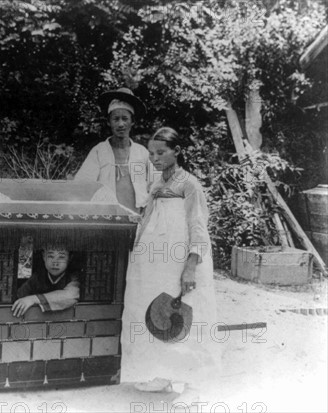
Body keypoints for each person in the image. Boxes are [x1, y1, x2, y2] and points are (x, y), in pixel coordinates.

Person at [120, 127, 220, 404]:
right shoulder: (155, 185)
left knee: (189, 315)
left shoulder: (189, 184)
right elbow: (147, 222)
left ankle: (194, 385)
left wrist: (190, 267)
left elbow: (198, 228)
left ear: (177, 152)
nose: (155, 158)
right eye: (151, 153)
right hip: (156, 260)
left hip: (181, 259)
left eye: (161, 152)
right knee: (157, 313)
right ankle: (162, 374)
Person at [74, 87, 155, 213]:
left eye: (125, 118)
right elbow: (82, 185)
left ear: (132, 121)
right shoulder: (99, 151)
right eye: (116, 119)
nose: (121, 124)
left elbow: (156, 184)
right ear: (109, 122)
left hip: (137, 218)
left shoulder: (142, 153)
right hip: (107, 219)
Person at [11, 244, 80, 318]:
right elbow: (20, 296)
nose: (55, 263)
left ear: (69, 258)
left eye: (61, 257)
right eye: (50, 256)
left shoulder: (73, 278)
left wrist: (33, 299)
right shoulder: (37, 277)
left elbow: (71, 295)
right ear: (44, 257)